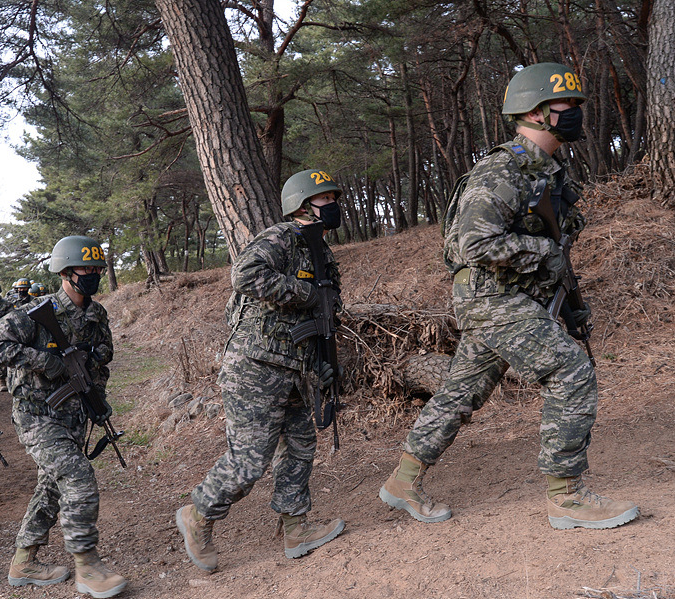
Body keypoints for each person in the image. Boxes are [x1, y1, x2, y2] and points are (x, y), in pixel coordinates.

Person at [378, 62, 638, 530]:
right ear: (536, 111)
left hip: (508, 298)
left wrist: (569, 302)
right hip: (492, 298)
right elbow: (471, 244)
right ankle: (567, 496)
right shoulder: (504, 169)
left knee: (462, 391)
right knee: (571, 372)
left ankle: (404, 480)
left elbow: (557, 248)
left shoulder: (550, 171)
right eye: (567, 104)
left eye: (579, 104)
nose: (577, 111)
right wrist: (540, 251)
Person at [176, 169, 346, 572]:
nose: (334, 205)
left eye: (334, 197)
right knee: (250, 459)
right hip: (254, 366)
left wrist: (323, 365)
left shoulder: (322, 252)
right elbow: (245, 275)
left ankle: (295, 527)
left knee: (301, 446)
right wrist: (303, 293)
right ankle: (198, 516)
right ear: (305, 205)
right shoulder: (281, 238)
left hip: (293, 369)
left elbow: (328, 313)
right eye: (327, 199)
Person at [0, 235, 126, 597]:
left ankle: (24, 561)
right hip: (37, 416)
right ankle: (87, 566)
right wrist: (43, 360)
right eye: (84, 268)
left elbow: (100, 361)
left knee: (51, 488)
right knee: (78, 478)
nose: (91, 274)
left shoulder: (96, 314)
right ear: (64, 270)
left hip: (73, 415)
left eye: (95, 268)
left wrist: (97, 398)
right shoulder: (37, 313)